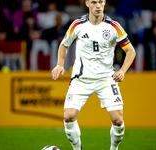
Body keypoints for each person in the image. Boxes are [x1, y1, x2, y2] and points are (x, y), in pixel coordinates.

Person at [52, 0, 136, 150]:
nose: (98, 5)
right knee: (68, 116)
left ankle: (113, 148)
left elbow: (130, 51)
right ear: (87, 3)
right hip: (81, 79)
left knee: (118, 120)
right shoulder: (77, 24)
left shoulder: (113, 26)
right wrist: (60, 64)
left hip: (106, 79)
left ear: (104, 3)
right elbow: (64, 45)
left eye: (101, 2)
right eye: (94, 2)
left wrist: (122, 71)